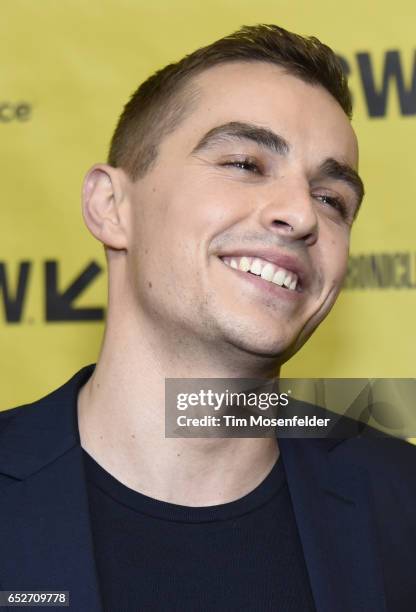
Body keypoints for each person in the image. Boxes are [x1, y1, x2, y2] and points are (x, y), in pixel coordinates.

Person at [0, 23, 415, 612]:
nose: (301, 214)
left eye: (332, 200)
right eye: (245, 163)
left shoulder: (402, 508)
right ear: (111, 207)